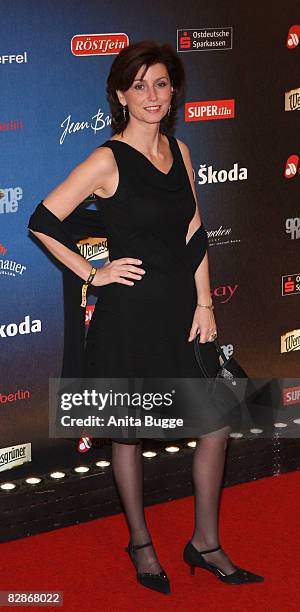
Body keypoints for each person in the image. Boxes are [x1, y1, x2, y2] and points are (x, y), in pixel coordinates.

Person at [28, 40, 264, 595]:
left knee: (217, 422)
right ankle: (140, 543)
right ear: (120, 94)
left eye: (161, 83)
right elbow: (42, 220)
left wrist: (206, 303)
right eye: (140, 86)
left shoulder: (180, 153)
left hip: (183, 311)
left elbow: (193, 233)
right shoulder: (107, 159)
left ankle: (204, 543)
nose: (152, 95)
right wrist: (94, 273)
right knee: (129, 434)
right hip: (129, 316)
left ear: (174, 90)